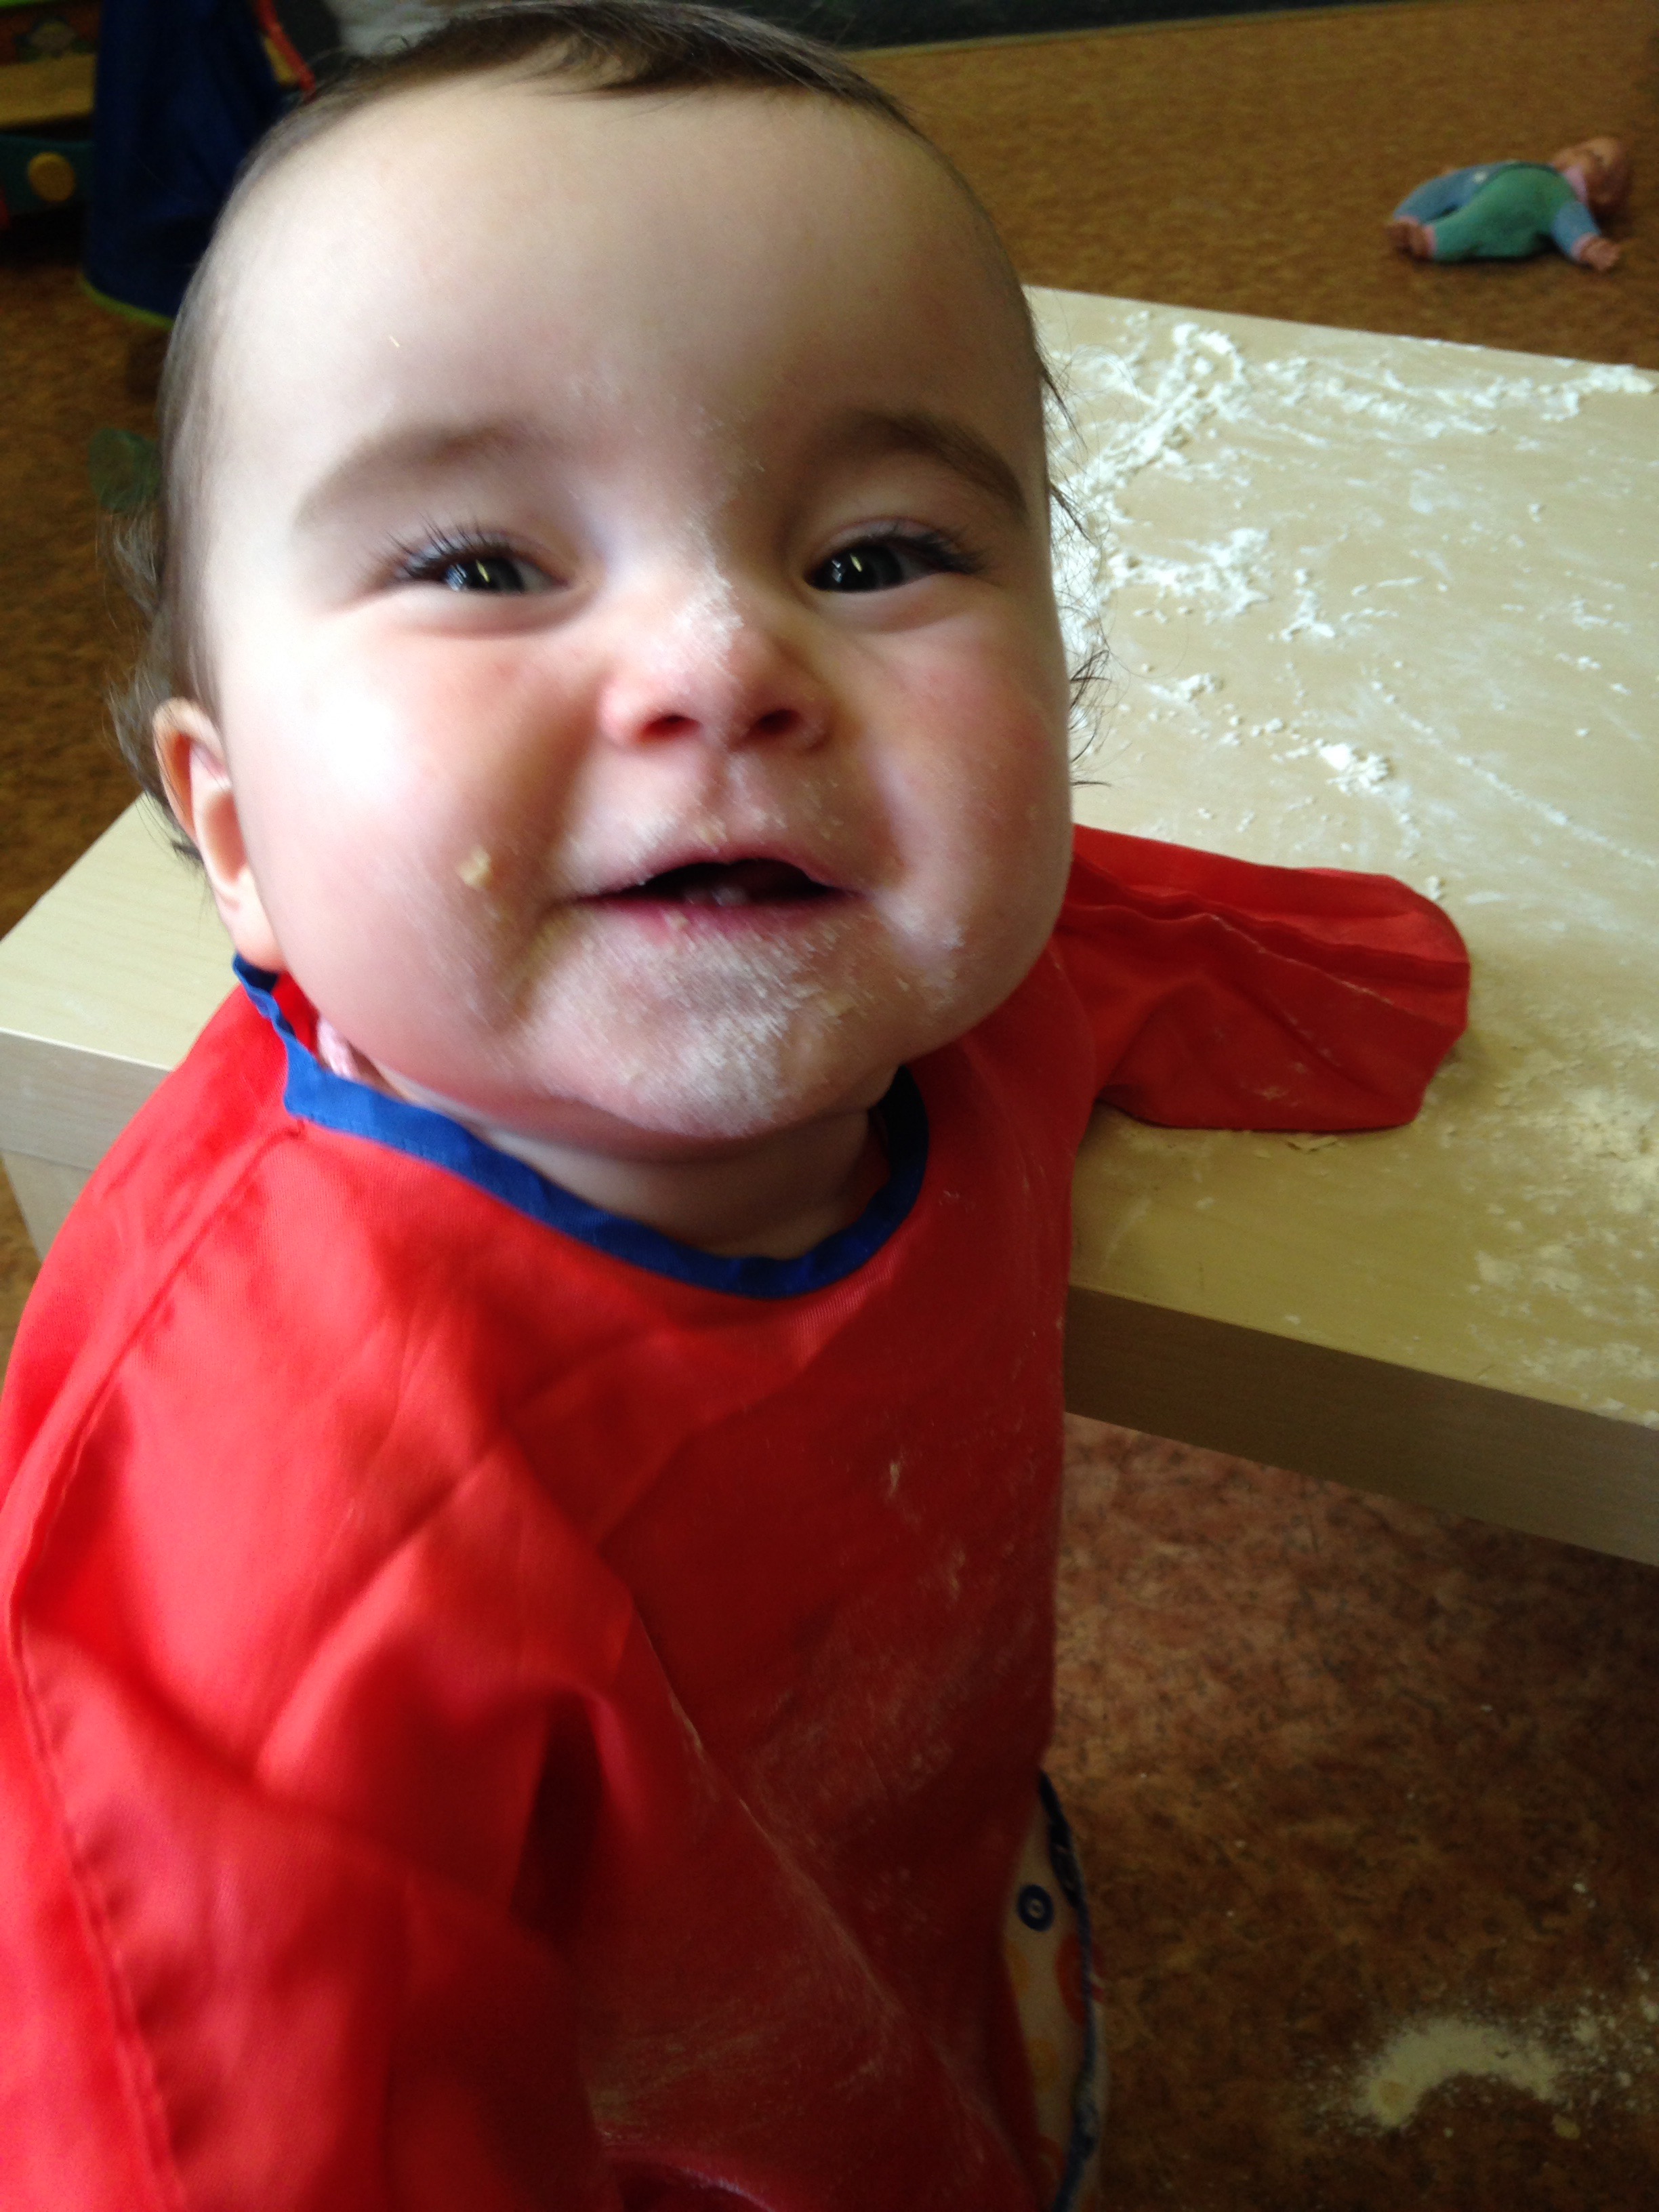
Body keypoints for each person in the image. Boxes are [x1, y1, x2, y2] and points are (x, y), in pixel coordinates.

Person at [0, 7, 1469, 2207]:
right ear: (234, 832)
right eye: (482, 564)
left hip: (890, 1940)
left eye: (873, 556)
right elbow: (202, 2122)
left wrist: (1393, 1007)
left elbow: (1165, 952)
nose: (721, 660)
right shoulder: (255, 1570)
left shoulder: (957, 984)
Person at [1387, 137, 1631, 273]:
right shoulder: (1542, 172)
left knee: (1478, 221)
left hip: (1505, 207)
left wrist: (1590, 246)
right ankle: (1408, 217)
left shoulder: (1562, 197)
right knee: (1442, 187)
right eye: (1581, 146)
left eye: (1596, 158)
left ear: (1604, 194)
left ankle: (1431, 240)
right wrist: (1466, 176)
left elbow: (1571, 224)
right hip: (1482, 180)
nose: (1579, 151)